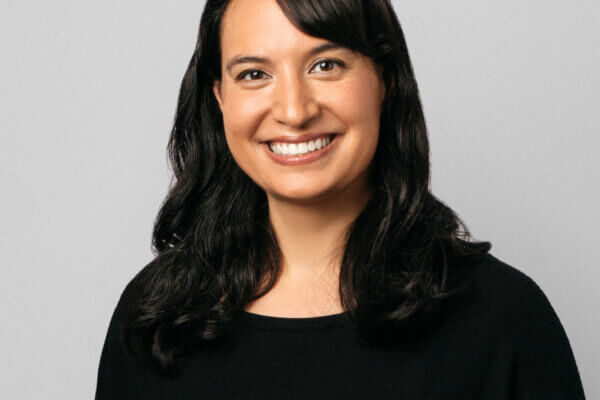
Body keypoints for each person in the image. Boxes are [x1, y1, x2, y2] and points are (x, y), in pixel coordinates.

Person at [95, 0, 586, 398]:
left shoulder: (503, 319)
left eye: (326, 65)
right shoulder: (156, 318)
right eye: (254, 74)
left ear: (385, 79)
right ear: (220, 96)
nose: (294, 110)